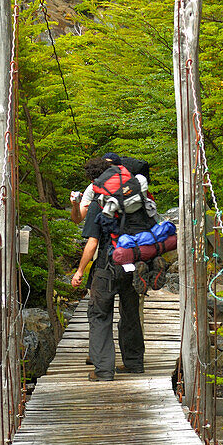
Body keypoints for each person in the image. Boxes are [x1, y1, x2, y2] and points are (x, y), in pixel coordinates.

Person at [70, 156, 146, 381]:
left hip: (107, 265)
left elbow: (92, 242)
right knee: (130, 312)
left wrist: (80, 271)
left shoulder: (98, 203)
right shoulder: (134, 198)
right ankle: (134, 363)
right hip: (133, 264)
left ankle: (103, 370)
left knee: (99, 314)